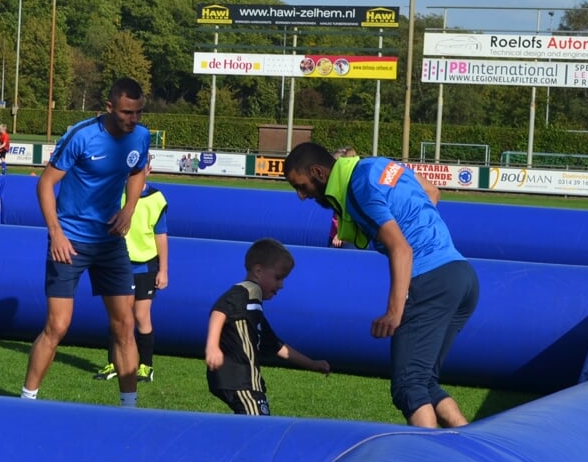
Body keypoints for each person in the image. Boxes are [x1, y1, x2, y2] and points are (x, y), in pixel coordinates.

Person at [283, 141, 479, 427]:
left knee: (408, 388)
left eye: (300, 186)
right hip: (461, 275)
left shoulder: (358, 188)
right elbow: (432, 191)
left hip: (430, 281)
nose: (301, 196)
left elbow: (401, 249)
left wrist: (394, 312)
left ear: (318, 172)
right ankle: (470, 450)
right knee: (425, 383)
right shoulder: (378, 165)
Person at [22, 77, 151, 407]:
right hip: (70, 242)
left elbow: (137, 172)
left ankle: (129, 410)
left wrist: (129, 208)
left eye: (137, 112)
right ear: (109, 108)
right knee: (58, 326)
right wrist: (56, 232)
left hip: (109, 242)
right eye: (126, 112)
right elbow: (45, 184)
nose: (132, 119)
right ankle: (25, 402)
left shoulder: (141, 136)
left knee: (124, 326)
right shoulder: (81, 136)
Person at [204, 238, 329, 415]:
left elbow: (277, 346)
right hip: (242, 380)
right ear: (258, 271)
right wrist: (212, 347)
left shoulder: (253, 312)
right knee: (259, 428)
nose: (281, 285)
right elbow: (219, 310)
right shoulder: (248, 289)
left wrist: (311, 364)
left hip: (240, 380)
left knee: (250, 428)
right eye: (278, 278)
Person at [94, 163, 169, 383]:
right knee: (118, 316)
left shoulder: (156, 199)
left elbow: (161, 235)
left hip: (145, 264)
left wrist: (163, 269)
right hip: (118, 264)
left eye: (140, 170)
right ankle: (115, 363)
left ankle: (146, 366)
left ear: (149, 170)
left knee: (141, 316)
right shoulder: (115, 194)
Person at [328, 146, 358, 247]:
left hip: (347, 238)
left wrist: (340, 235)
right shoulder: (339, 184)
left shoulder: (352, 187)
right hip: (335, 235)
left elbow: (355, 216)